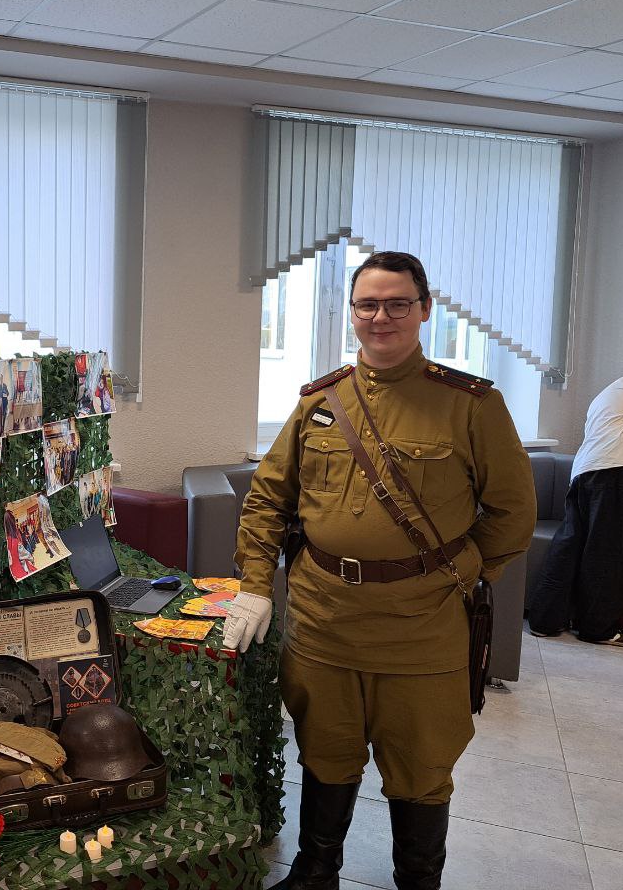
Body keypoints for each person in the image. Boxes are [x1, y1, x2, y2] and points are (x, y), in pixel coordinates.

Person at [227, 250, 534, 890]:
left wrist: (455, 572)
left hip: (423, 628)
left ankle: (418, 880)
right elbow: (268, 500)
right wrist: (255, 586)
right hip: (324, 621)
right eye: (367, 304)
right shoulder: (320, 401)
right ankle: (315, 872)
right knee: (324, 748)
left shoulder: (471, 404)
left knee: (422, 763)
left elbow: (512, 513)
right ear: (352, 313)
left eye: (397, 304)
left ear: (424, 310)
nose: (381, 317)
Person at [527, 372, 623, 646]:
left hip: (582, 470)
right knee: (606, 552)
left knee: (569, 545)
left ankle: (544, 621)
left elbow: (609, 436)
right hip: (611, 473)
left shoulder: (608, 393)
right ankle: (597, 629)